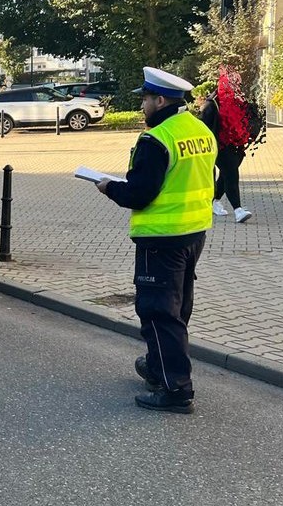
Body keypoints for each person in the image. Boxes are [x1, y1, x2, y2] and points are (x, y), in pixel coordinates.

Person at [95, 67, 216, 414]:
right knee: (177, 308)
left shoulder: (156, 139)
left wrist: (109, 187)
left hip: (161, 238)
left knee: (159, 312)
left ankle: (176, 389)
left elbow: (139, 194)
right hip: (193, 233)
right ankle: (157, 365)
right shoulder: (199, 129)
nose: (143, 106)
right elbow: (215, 179)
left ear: (160, 100)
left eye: (145, 99)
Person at [198, 77, 254, 223]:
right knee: (231, 174)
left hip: (234, 145)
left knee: (226, 175)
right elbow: (203, 128)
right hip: (219, 146)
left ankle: (215, 201)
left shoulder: (237, 102)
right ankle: (238, 210)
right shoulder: (211, 105)